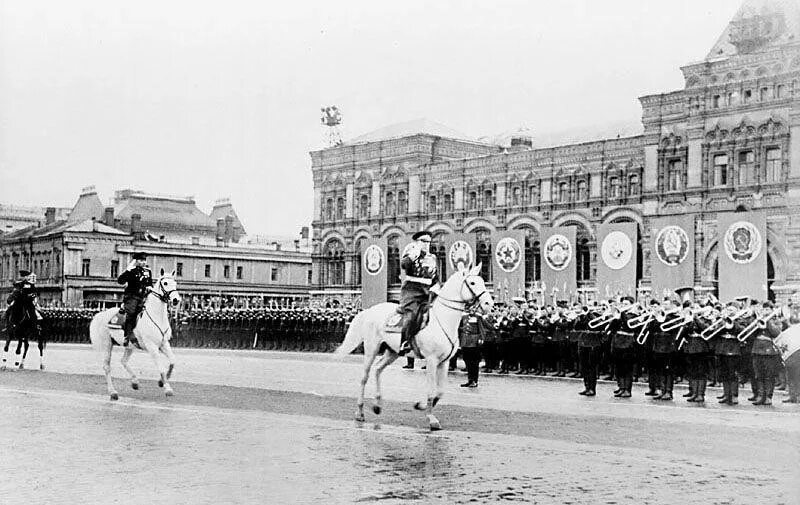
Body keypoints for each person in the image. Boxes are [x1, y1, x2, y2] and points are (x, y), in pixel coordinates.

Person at [398, 231, 439, 356]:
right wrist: (415, 254)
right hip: (412, 291)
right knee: (411, 315)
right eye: (423, 241)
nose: (427, 244)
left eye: (428, 242)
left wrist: (436, 287)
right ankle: (405, 342)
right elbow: (404, 265)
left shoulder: (432, 258)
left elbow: (435, 277)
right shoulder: (411, 253)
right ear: (416, 242)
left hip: (428, 292)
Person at [116, 252, 154, 346]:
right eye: (141, 260)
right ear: (136, 261)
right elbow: (120, 281)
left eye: (144, 260)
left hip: (143, 297)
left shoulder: (148, 271)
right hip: (132, 296)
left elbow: (149, 283)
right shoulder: (131, 271)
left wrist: (150, 287)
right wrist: (128, 270)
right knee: (132, 313)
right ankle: (127, 335)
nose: (143, 262)